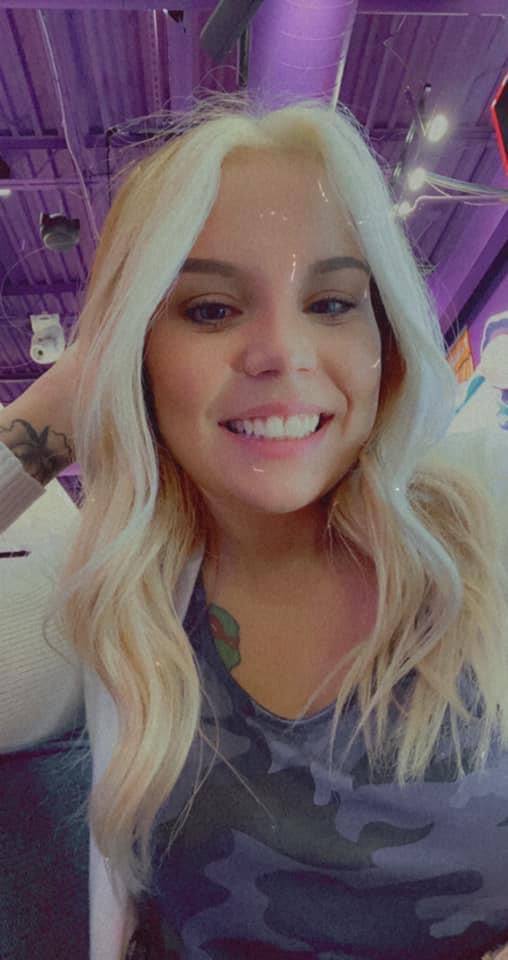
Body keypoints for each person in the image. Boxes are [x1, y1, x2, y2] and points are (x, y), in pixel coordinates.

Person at [1, 92, 507, 960]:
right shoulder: (119, 600)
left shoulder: (487, 522)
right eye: (210, 309)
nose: (283, 351)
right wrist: (68, 396)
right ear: (136, 352)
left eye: (333, 302)